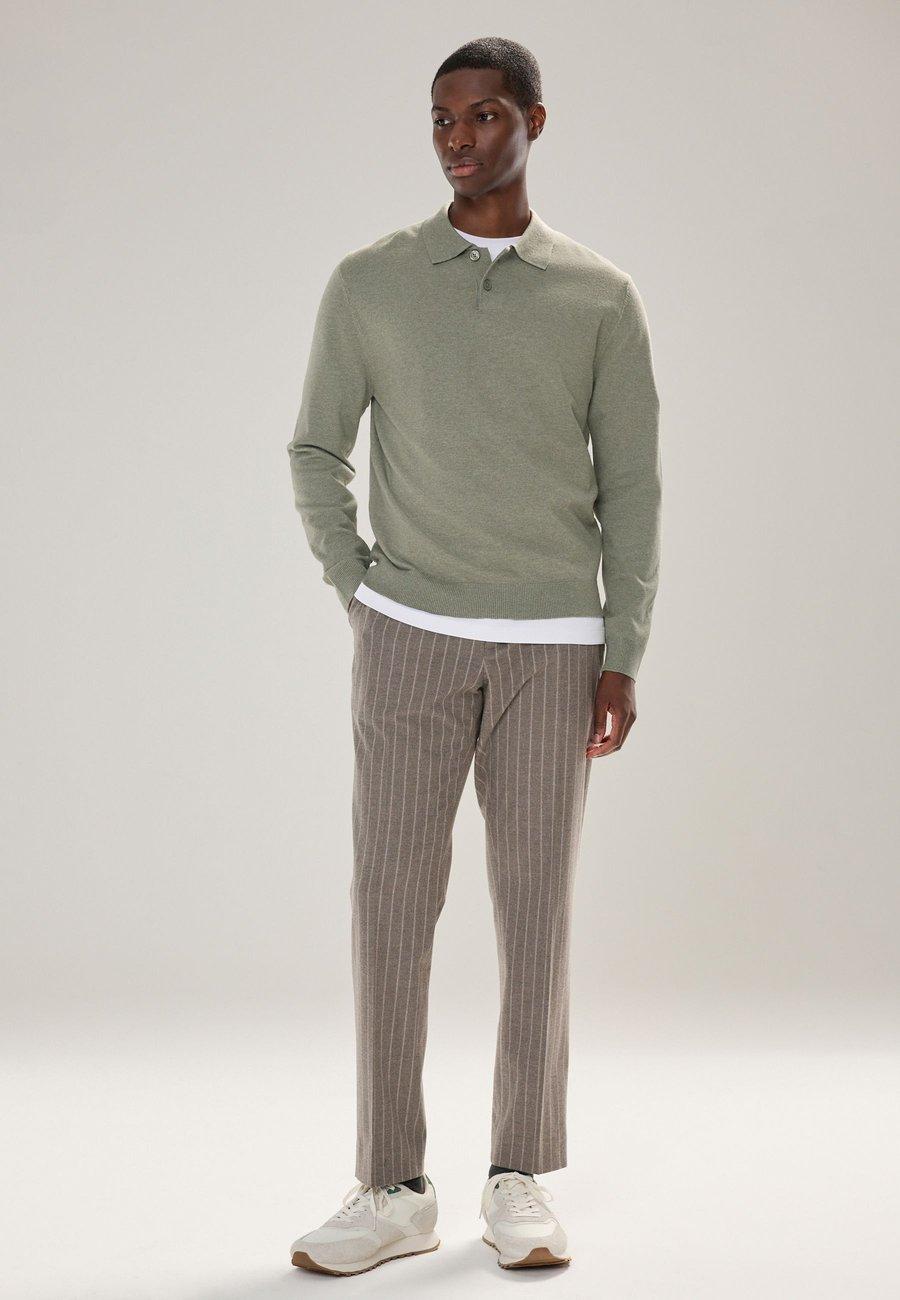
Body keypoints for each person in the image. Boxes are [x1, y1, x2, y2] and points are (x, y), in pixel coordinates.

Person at [285, 35, 662, 1276]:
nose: (458, 137)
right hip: (409, 636)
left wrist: (623, 649)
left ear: (534, 123)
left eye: (485, 114)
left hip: (555, 649)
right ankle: (392, 1185)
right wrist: (357, 584)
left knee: (536, 909)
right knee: (390, 905)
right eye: (443, 118)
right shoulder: (371, 283)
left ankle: (519, 1175)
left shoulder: (598, 296)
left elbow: (634, 485)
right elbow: (315, 449)